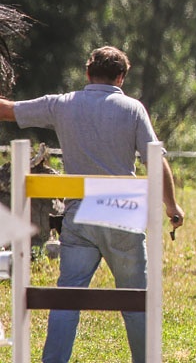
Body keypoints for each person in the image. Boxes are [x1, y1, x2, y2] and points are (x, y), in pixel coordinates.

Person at [0, 45, 185, 363]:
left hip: (79, 212)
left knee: (67, 296)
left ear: (87, 72)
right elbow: (157, 161)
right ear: (121, 77)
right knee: (135, 298)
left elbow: (8, 111)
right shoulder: (133, 109)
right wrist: (172, 206)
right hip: (122, 212)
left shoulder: (62, 104)